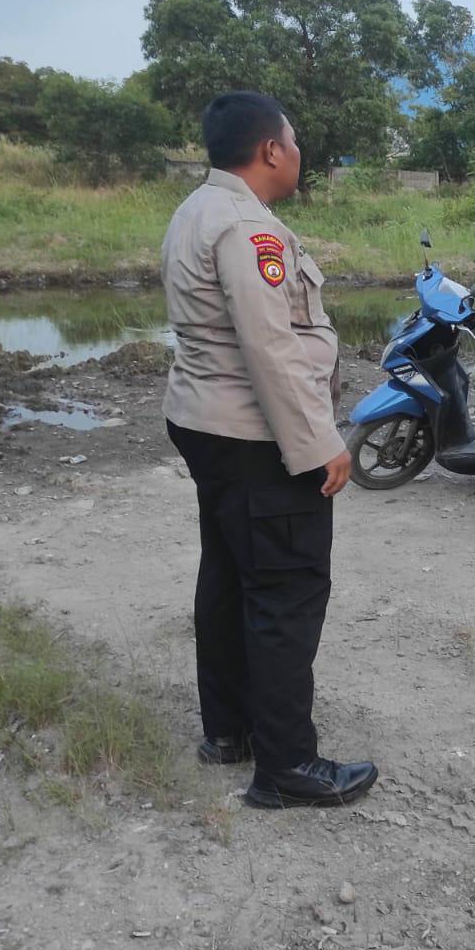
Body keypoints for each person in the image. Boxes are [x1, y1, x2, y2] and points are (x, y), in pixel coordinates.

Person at [161, 90, 378, 808]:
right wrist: (319, 445)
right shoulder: (246, 227)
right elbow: (270, 347)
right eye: (294, 141)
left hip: (207, 423)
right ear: (270, 150)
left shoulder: (197, 209)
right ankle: (286, 767)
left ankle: (228, 731)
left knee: (230, 576)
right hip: (255, 437)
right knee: (286, 591)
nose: (298, 153)